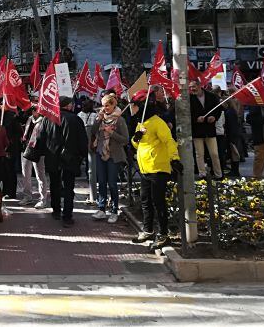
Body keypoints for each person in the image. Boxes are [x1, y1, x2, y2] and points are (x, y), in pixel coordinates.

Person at [130, 91, 181, 249]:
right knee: (145, 201)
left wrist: (175, 158)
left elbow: (169, 140)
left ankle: (163, 234)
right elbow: (137, 144)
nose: (133, 109)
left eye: (135, 105)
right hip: (145, 169)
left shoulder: (158, 122)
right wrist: (135, 138)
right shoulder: (141, 123)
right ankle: (148, 230)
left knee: (158, 202)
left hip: (158, 168)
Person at [43, 97, 88, 227]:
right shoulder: (75, 119)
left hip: (53, 158)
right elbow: (83, 141)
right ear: (68, 106)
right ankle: (67, 216)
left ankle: (56, 210)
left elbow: (41, 137)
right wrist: (82, 156)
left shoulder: (48, 119)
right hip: (70, 158)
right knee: (69, 188)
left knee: (54, 185)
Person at [89, 93, 128, 223]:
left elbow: (125, 140)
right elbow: (93, 131)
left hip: (113, 155)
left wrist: (112, 133)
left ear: (113, 105)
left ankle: (114, 210)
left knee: (112, 183)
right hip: (101, 153)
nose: (105, 108)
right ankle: (101, 209)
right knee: (102, 183)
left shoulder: (119, 120)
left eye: (107, 105)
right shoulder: (101, 118)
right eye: (103, 105)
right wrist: (98, 119)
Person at [189, 80, 223, 179]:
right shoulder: (190, 98)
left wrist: (214, 117)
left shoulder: (211, 96)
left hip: (209, 130)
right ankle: (202, 174)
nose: (192, 89)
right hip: (197, 131)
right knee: (199, 154)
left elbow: (218, 109)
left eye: (194, 86)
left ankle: (218, 174)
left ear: (200, 86)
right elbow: (187, 113)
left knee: (214, 154)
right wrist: (196, 119)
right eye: (190, 87)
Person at [20, 108, 48, 208]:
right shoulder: (29, 119)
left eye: (36, 109)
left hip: (38, 151)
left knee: (40, 175)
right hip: (27, 149)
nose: (35, 111)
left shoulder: (44, 120)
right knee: (25, 174)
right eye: (33, 109)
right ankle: (27, 196)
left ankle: (42, 199)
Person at [78, 99, 99, 205]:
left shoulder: (79, 115)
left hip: (83, 141)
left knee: (87, 161)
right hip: (92, 142)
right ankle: (91, 180)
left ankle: (92, 189)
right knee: (91, 163)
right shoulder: (96, 115)